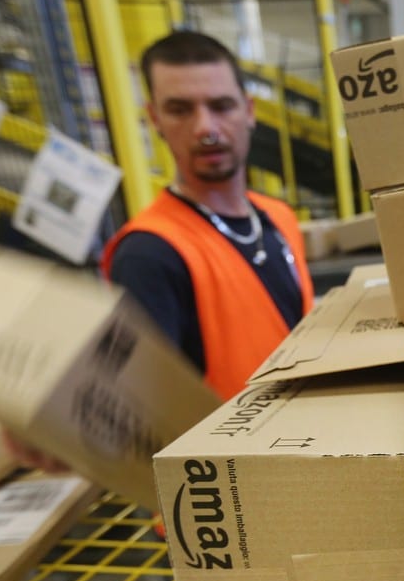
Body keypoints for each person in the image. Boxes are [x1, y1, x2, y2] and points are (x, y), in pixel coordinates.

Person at [101, 30, 314, 401]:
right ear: (155, 119)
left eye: (221, 106)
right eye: (180, 110)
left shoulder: (279, 218)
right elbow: (133, 405)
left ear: (248, 112)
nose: (205, 129)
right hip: (233, 457)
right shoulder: (149, 254)